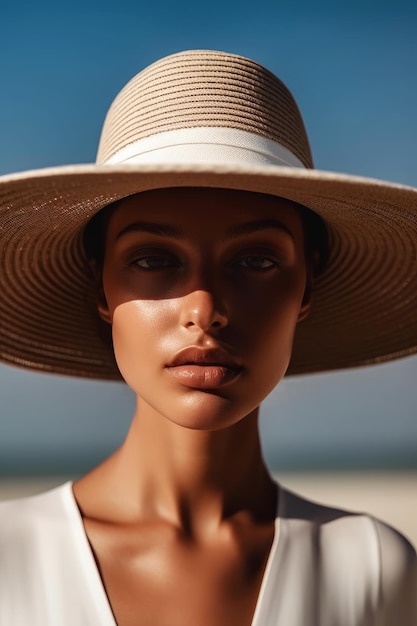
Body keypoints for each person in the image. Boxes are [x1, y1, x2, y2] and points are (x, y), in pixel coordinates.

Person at [0, 49, 416, 626]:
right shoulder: (7, 561)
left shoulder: (368, 567)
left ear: (307, 288)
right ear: (101, 285)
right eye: (152, 258)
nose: (205, 308)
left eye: (255, 259)